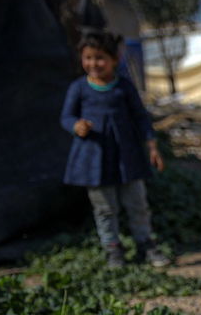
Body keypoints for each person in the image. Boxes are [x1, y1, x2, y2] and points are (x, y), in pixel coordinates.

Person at [60, 29, 170, 268]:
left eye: (100, 58)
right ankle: (113, 250)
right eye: (88, 58)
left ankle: (146, 245)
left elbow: (141, 117)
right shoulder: (79, 88)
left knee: (137, 203)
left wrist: (152, 146)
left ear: (114, 60)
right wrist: (76, 126)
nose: (93, 63)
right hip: (94, 158)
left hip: (126, 156)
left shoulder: (124, 87)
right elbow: (66, 117)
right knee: (105, 208)